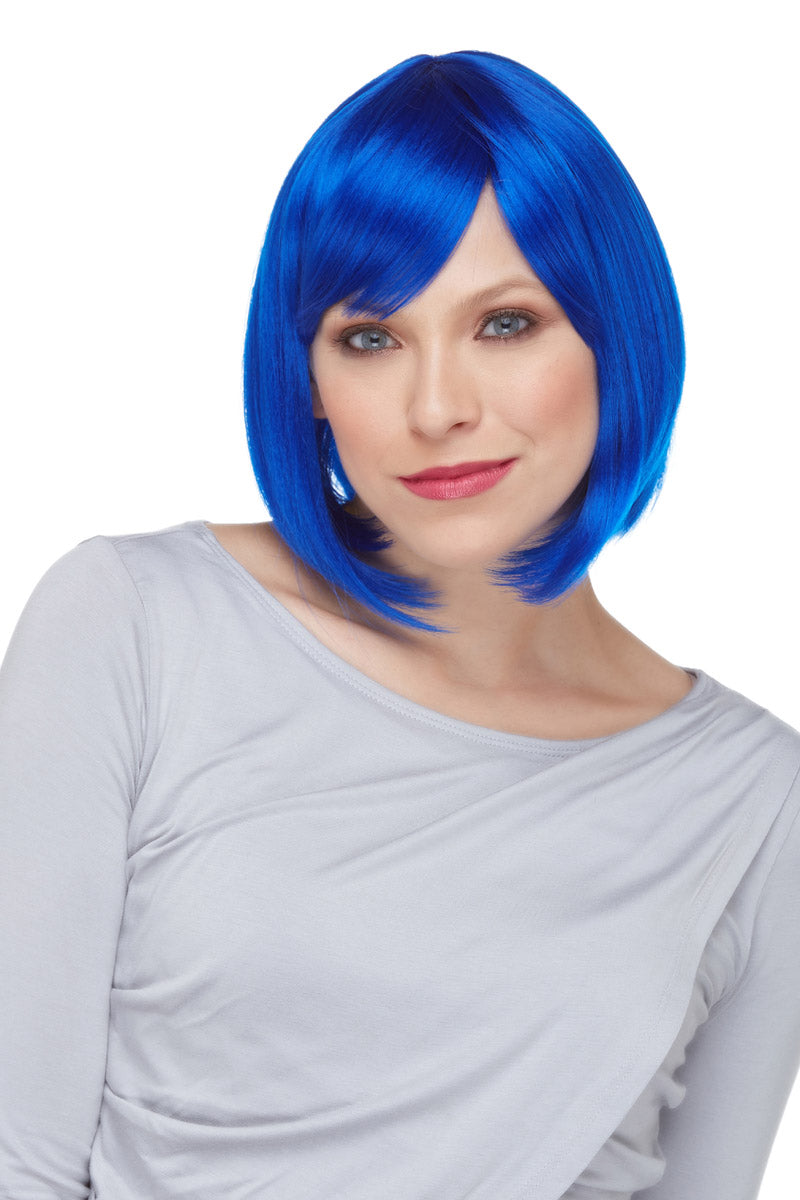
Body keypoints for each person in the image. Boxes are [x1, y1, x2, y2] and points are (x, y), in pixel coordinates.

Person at [1, 49, 799, 1200]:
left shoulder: (756, 800)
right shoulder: (134, 628)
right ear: (308, 379)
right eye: (371, 338)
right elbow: (18, 1158)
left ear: (614, 338)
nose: (435, 408)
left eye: (505, 324)